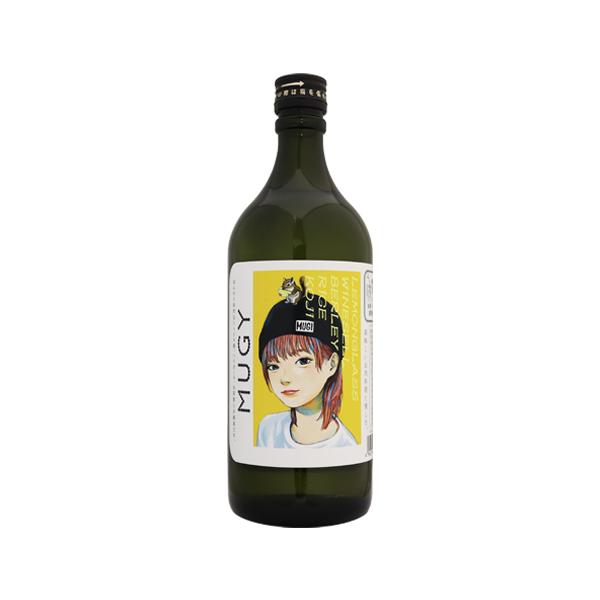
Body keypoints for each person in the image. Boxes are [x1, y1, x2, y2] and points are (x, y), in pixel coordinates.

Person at [256, 277, 357, 448]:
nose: (285, 378)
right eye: (273, 366)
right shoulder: (268, 429)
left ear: (332, 364)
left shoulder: (346, 446)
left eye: (303, 361)